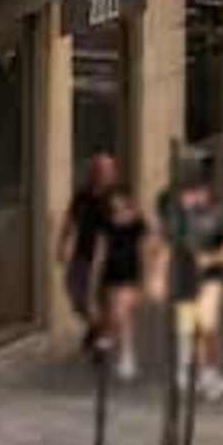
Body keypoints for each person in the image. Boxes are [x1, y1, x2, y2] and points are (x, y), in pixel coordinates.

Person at [59, 149, 149, 364]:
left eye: (107, 169)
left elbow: (139, 223)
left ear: (114, 172)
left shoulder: (120, 195)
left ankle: (100, 341)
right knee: (78, 298)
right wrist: (62, 244)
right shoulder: (82, 195)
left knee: (107, 306)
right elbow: (70, 221)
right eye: (98, 169)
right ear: (92, 171)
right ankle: (96, 329)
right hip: (82, 256)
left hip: (110, 260)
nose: (102, 173)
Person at [157, 150, 223, 395]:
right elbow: (168, 239)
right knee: (186, 324)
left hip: (211, 275)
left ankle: (209, 373)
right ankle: (185, 370)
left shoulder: (216, 209)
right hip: (184, 273)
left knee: (208, 323)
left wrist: (213, 258)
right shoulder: (172, 206)